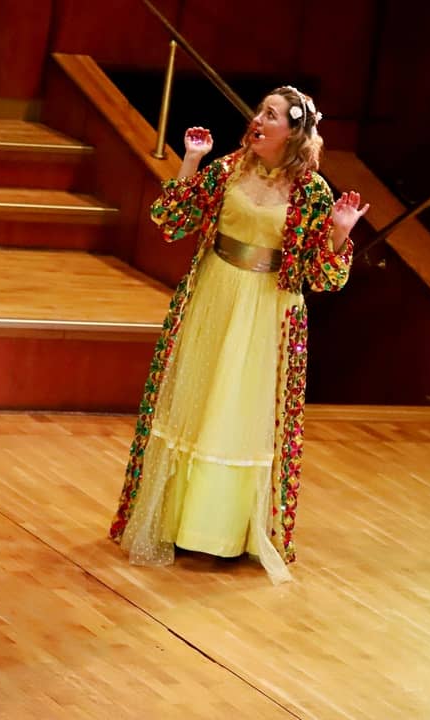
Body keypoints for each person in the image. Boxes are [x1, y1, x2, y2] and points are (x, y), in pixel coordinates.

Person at [109, 86, 369, 583]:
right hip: (214, 295)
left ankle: (222, 533)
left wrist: (339, 231)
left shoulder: (311, 192)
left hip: (266, 310)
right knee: (198, 402)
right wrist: (191, 159)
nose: (259, 120)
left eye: (271, 115)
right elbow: (171, 220)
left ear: (292, 133)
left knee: (237, 412)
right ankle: (172, 522)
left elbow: (323, 277)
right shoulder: (228, 168)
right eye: (260, 111)